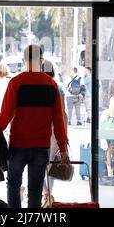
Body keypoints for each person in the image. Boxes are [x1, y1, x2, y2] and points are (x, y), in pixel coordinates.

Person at [0, 45, 69, 208]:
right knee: (35, 190)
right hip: (41, 147)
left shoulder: (16, 83)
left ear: (23, 60)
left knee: (14, 185)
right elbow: (58, 121)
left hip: (18, 145)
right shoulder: (51, 85)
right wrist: (63, 149)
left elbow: (5, 116)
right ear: (41, 61)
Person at [41, 60, 68, 207]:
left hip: (40, 127)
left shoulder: (37, 87)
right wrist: (64, 135)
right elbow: (62, 112)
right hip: (54, 129)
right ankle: (48, 194)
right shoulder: (58, 87)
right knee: (51, 162)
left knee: (40, 162)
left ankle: (45, 194)